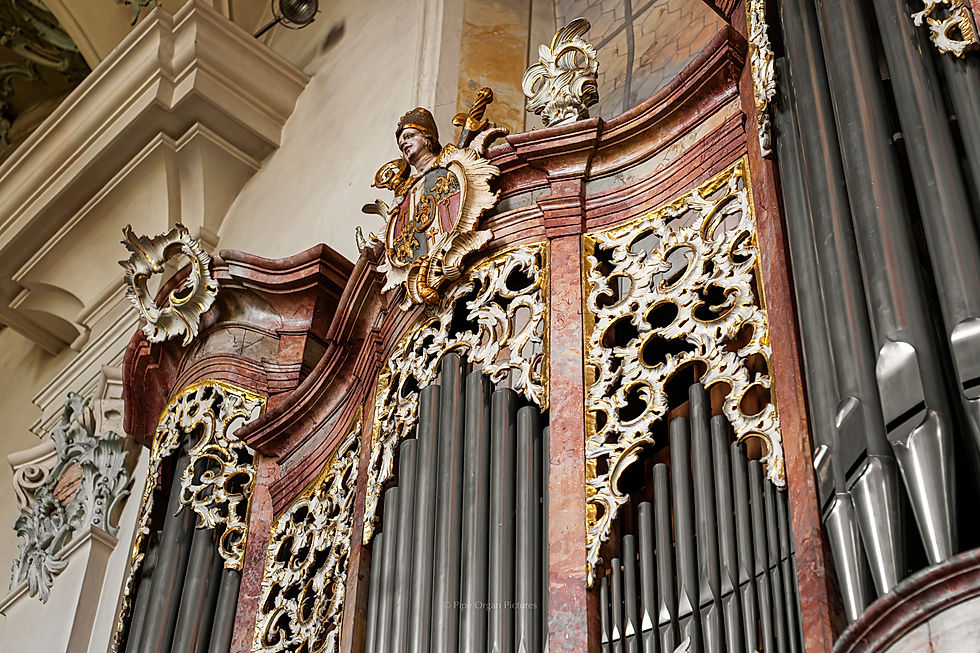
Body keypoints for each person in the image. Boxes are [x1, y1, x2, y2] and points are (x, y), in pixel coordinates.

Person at [395, 107, 441, 175]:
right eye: (401, 145)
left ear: (426, 137)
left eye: (408, 137)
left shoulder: (446, 165)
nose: (404, 143)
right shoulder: (410, 184)